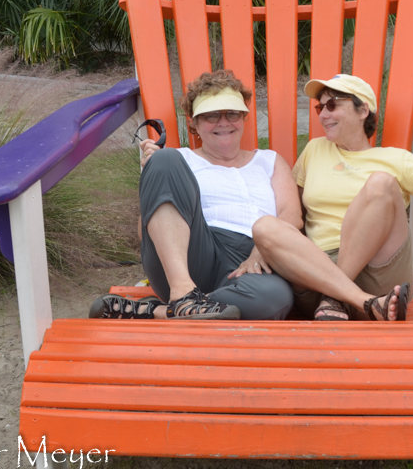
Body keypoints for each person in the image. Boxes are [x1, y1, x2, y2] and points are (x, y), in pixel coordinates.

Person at [253, 74, 413, 321]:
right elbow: (293, 214)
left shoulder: (396, 159)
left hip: (379, 277)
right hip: (318, 277)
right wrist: (259, 251)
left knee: (381, 182)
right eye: (320, 107)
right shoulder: (314, 150)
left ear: (363, 111)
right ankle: (355, 300)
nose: (323, 115)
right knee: (264, 226)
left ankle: (337, 297)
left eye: (332, 105)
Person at [90, 69, 301, 320]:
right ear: (195, 123)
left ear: (244, 117)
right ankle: (182, 293)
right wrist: (154, 174)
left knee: (273, 299)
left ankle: (158, 310)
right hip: (192, 251)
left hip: (253, 257)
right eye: (211, 115)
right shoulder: (178, 160)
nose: (223, 122)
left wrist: (262, 249)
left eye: (232, 113)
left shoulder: (270, 161)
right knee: (164, 158)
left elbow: (292, 217)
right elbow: (142, 232)